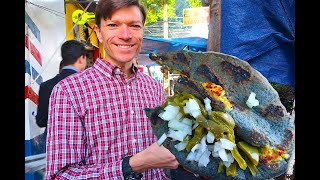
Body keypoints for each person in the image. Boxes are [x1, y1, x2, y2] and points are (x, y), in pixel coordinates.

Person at [45, 0, 179, 179]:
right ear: (99, 32)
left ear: (142, 31)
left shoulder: (153, 88)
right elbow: (59, 176)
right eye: (113, 25)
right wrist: (134, 164)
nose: (125, 35)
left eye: (134, 26)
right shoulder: (69, 91)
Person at [36, 40, 87, 145]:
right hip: (82, 141)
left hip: (54, 143)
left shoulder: (45, 86)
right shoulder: (87, 84)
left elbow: (41, 121)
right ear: (81, 59)